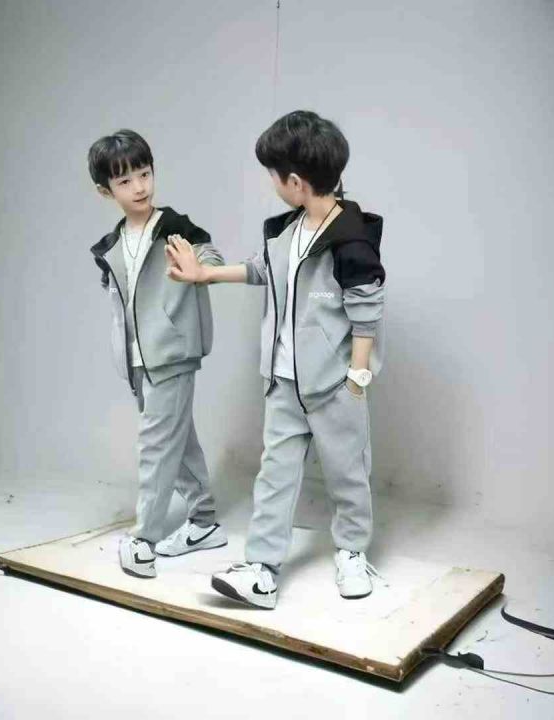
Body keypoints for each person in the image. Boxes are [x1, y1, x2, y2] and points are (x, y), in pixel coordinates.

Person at [165, 111, 386, 608]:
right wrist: (204, 275)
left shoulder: (350, 237)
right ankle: (261, 570)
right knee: (275, 474)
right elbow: (263, 269)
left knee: (348, 473)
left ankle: (352, 551)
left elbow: (366, 310)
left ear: (296, 182)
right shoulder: (289, 229)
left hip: (334, 384)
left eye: (273, 175)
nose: (272, 184)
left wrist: (356, 379)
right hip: (284, 381)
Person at [88, 129, 227, 579]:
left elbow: (208, 255)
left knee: (156, 444)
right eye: (125, 181)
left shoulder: (174, 226)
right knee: (178, 440)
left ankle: (143, 538)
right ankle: (204, 521)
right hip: (137, 360)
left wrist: (200, 268)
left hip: (172, 353)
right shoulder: (111, 245)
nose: (140, 187)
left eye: (145, 174)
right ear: (106, 191)